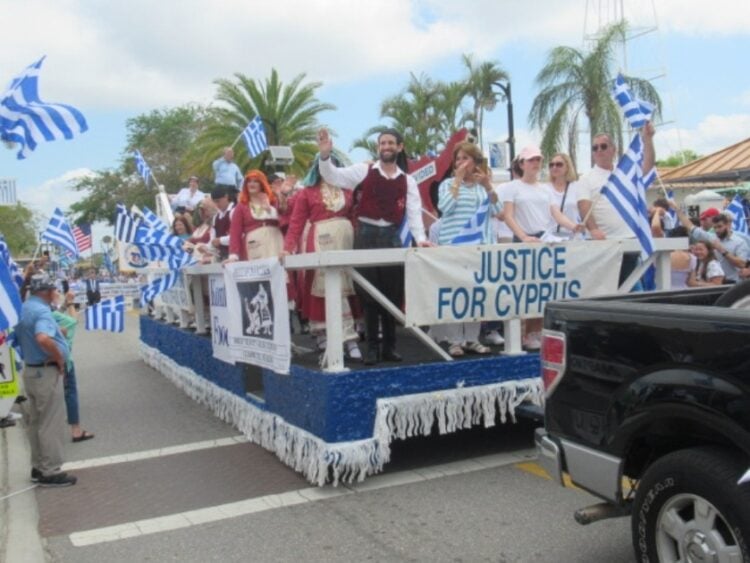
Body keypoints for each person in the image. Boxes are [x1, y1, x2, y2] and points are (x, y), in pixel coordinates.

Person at [317, 127, 431, 365]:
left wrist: (420, 239)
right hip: (366, 235)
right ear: (378, 147)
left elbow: (413, 215)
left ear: (399, 147)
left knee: (392, 292)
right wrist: (325, 156)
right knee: (368, 294)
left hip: (391, 236)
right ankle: (371, 348)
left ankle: (390, 346)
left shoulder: (407, 180)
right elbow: (333, 176)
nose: (386, 147)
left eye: (391, 143)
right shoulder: (364, 170)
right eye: (382, 143)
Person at [280, 155, 362, 361]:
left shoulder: (348, 190)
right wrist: (287, 248)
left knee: (348, 286)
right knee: (324, 287)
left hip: (345, 241)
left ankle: (350, 338)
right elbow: (297, 222)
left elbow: (354, 217)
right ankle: (332, 337)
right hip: (320, 241)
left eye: (333, 165)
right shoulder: (307, 193)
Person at [503, 145, 582, 350]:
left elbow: (556, 214)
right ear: (521, 164)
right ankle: (521, 334)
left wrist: (574, 226)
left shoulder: (544, 190)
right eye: (530, 160)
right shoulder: (514, 187)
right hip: (523, 240)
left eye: (537, 159)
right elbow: (508, 215)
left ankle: (534, 332)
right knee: (524, 290)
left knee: (541, 289)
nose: (535, 163)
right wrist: (523, 236)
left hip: (544, 240)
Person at [436, 141, 501, 357]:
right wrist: (456, 181)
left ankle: (473, 339)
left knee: (475, 295)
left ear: (474, 162)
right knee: (456, 294)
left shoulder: (482, 187)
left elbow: (498, 210)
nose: (461, 163)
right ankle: (454, 341)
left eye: (465, 158)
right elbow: (444, 207)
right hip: (454, 245)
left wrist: (489, 186)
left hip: (478, 247)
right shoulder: (447, 184)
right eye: (458, 159)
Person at [15, 274, 77, 487]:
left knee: (36, 422)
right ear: (47, 292)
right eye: (54, 290)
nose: (56, 293)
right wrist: (59, 358)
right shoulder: (42, 311)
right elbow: (42, 337)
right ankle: (50, 471)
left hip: (31, 370)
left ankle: (38, 466)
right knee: (50, 422)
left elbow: (19, 337)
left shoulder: (24, 308)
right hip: (45, 370)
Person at [577, 125, 656, 285]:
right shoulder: (586, 178)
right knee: (615, 288)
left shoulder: (624, 173)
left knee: (632, 286)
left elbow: (647, 166)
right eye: (595, 147)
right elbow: (583, 205)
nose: (599, 150)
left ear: (613, 149)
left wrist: (648, 140)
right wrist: (594, 230)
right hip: (605, 244)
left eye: (603, 146)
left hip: (630, 239)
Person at [53, 290, 94, 442]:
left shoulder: (38, 311)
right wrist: (70, 302)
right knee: (69, 392)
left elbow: (57, 315)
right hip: (61, 358)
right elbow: (72, 320)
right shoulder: (46, 312)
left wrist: (64, 305)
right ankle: (76, 430)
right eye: (54, 290)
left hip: (42, 360)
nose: (57, 292)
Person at [671, 202, 749, 283]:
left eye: (719, 226)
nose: (717, 230)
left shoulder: (740, 242)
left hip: (733, 284)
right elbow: (691, 227)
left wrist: (722, 251)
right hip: (714, 283)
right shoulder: (712, 237)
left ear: (728, 225)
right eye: (715, 227)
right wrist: (677, 209)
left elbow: (742, 264)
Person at [226, 170, 283, 262]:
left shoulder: (273, 201)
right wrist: (233, 256)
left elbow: (285, 219)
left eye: (255, 181)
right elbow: (235, 232)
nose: (251, 184)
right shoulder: (241, 207)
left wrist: (269, 209)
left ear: (262, 184)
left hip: (275, 241)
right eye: (249, 181)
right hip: (254, 245)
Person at [546, 153, 579, 237]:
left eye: (559, 164)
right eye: (551, 165)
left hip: (573, 236)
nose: (554, 167)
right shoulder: (544, 189)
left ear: (567, 167)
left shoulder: (576, 187)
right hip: (550, 237)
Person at [208, 186, 235, 261]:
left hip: (235, 255)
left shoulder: (234, 211)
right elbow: (212, 239)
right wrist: (206, 247)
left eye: (218, 201)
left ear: (226, 197)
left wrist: (221, 240)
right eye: (214, 202)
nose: (217, 205)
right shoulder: (215, 217)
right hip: (222, 256)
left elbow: (239, 236)